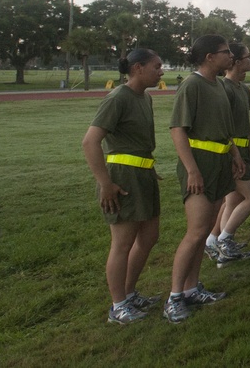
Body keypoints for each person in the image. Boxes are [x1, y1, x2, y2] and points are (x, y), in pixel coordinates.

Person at [163, 35, 245, 323]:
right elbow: (178, 130)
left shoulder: (219, 85)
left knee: (204, 232)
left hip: (220, 162)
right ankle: (174, 297)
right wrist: (192, 170)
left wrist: (234, 154)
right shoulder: (192, 85)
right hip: (199, 165)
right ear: (209, 57)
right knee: (196, 232)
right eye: (225, 52)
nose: (230, 56)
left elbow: (225, 128)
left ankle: (192, 288)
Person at [82, 48, 164, 324]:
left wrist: (148, 168)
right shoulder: (118, 98)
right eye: (157, 66)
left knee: (149, 236)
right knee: (122, 243)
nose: (161, 71)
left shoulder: (145, 97)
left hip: (143, 175)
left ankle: (128, 294)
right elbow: (90, 142)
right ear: (138, 68)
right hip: (122, 179)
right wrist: (105, 183)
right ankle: (118, 306)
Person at [205, 42, 250, 266]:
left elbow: (244, 123)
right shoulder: (224, 88)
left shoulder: (243, 89)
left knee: (234, 199)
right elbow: (222, 125)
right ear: (237, 62)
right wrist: (234, 154)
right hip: (232, 153)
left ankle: (214, 242)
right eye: (248, 57)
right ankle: (224, 240)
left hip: (243, 150)